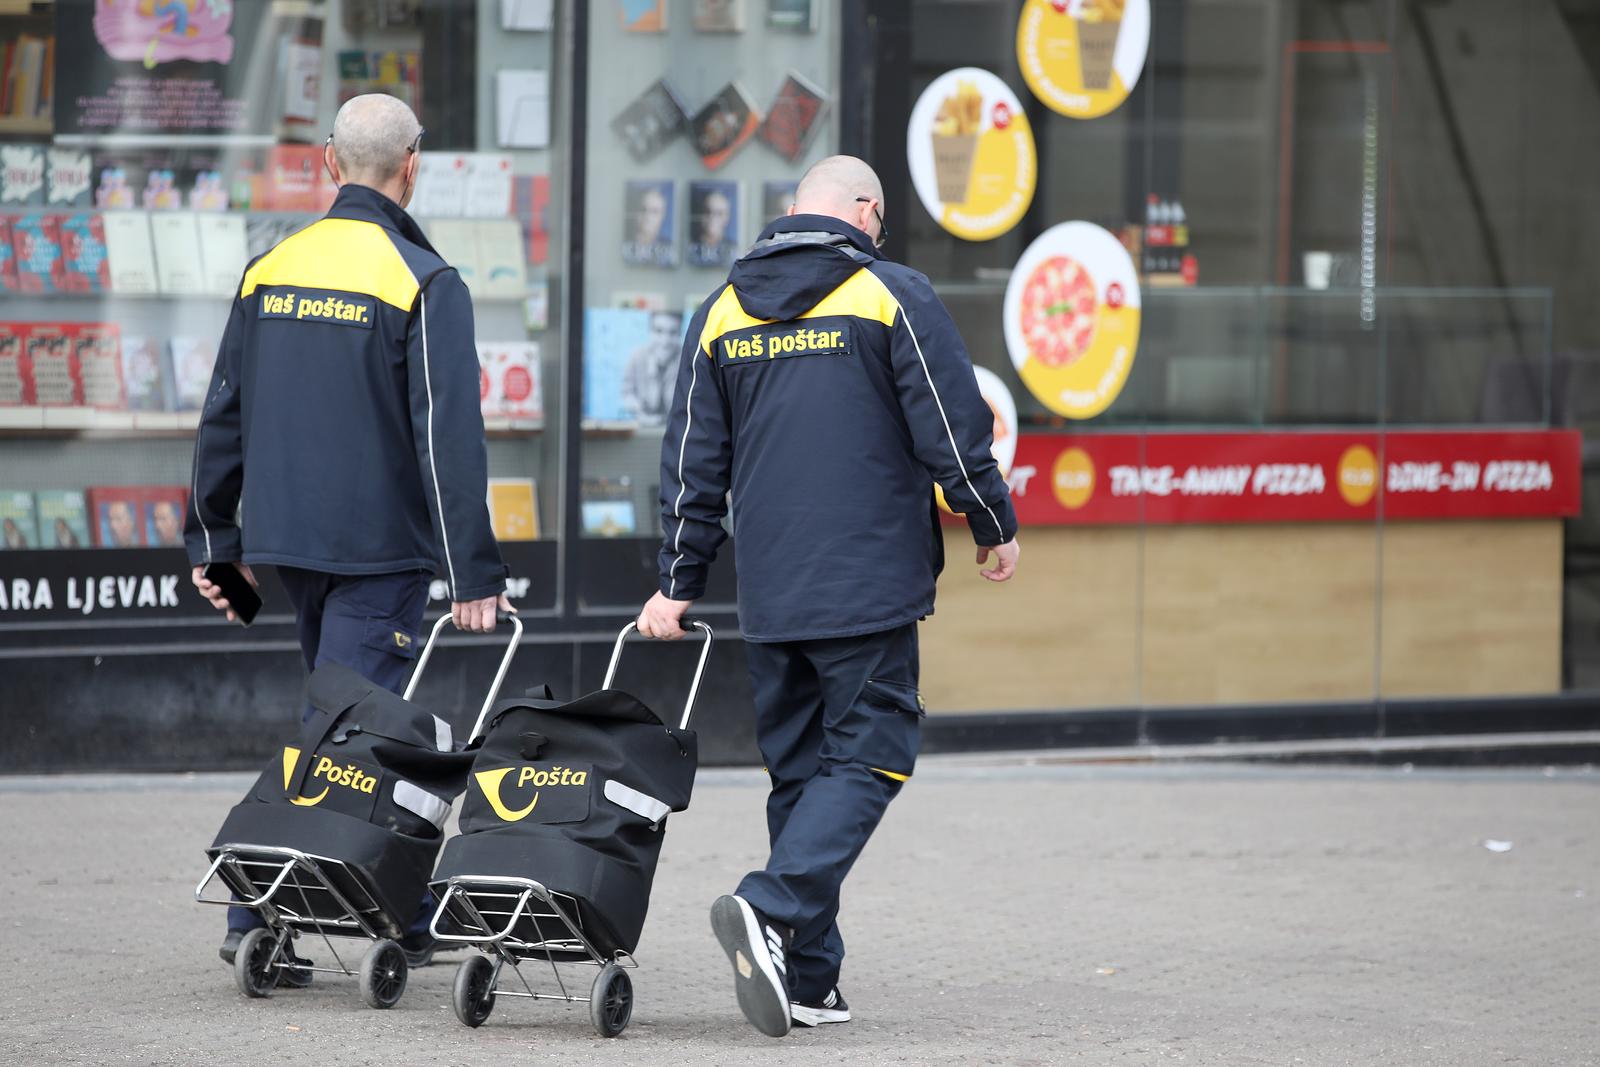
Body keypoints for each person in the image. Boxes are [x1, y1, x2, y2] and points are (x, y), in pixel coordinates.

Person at [635, 155, 1020, 1036]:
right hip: (868, 585)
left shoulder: (723, 309)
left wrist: (677, 580)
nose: (877, 235)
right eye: (877, 222)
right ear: (864, 210)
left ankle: (808, 978)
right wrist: (991, 521)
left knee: (803, 776)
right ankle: (769, 908)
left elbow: (693, 462)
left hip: (771, 594)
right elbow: (952, 431)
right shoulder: (890, 293)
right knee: (872, 755)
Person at [185, 93, 512, 974]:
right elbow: (450, 437)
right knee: (341, 732)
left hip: (291, 543)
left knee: (348, 721)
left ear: (329, 162)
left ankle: (386, 903)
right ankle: (257, 907)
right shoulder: (422, 279)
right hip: (379, 551)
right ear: (415, 166)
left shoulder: (271, 267)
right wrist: (473, 568)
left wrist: (216, 544)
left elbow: (223, 415)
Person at [622, 310, 683, 425]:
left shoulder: (689, 359)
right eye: (659, 331)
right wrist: (638, 412)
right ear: (650, 331)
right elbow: (626, 395)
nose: (665, 341)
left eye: (673, 332)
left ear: (680, 333)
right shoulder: (637, 357)